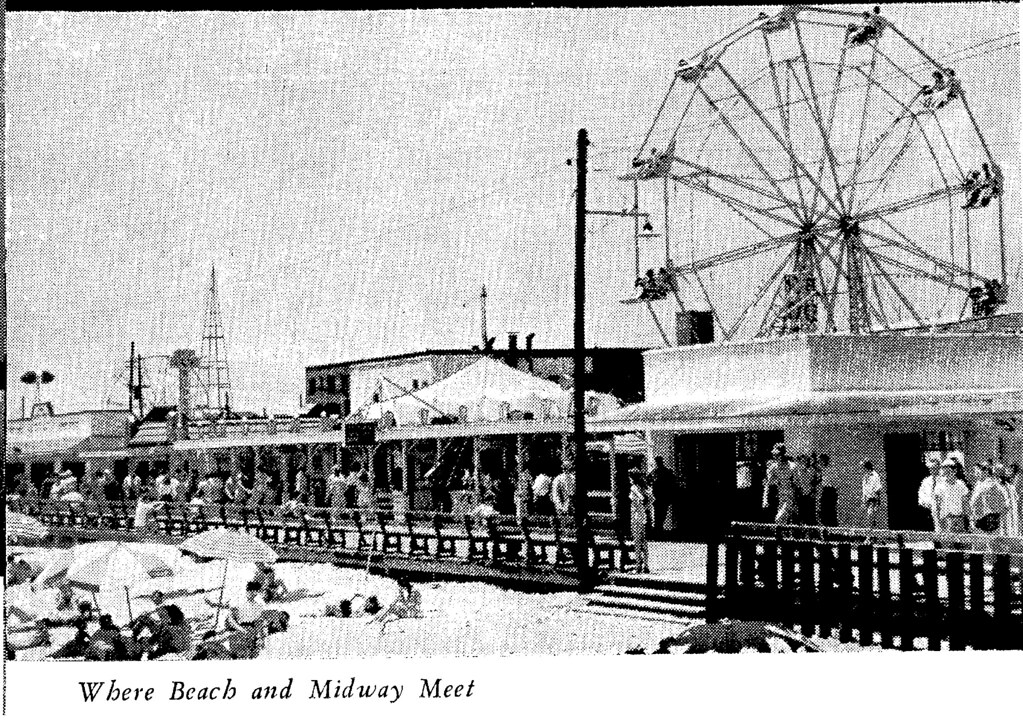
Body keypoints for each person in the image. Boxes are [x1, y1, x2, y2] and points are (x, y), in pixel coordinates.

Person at [224, 581, 266, 659]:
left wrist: (262, 639)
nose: (253, 594)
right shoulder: (237, 601)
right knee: (236, 656)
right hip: (237, 631)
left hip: (251, 632)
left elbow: (259, 622)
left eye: (255, 592)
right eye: (250, 591)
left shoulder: (259, 605)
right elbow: (231, 619)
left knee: (251, 656)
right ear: (247, 590)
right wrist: (241, 629)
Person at [970, 463, 1009, 535]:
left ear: (986, 472)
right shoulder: (994, 484)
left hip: (984, 519)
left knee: (983, 542)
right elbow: (1006, 505)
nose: (978, 473)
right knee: (992, 543)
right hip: (992, 519)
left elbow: (974, 502)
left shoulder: (986, 485)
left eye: (980, 471)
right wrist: (999, 516)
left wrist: (974, 517)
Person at [932, 458, 970, 533]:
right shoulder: (939, 486)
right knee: (948, 544)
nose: (946, 475)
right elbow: (936, 506)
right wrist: (937, 525)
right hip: (946, 520)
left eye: (948, 472)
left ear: (954, 471)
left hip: (959, 520)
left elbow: (965, 503)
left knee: (962, 543)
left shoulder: (961, 485)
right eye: (945, 472)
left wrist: (970, 520)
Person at [764, 443, 798, 524]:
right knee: (784, 522)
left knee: (779, 519)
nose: (775, 457)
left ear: (782, 454)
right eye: (774, 455)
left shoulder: (792, 466)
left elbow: (797, 484)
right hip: (780, 496)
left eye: (777, 455)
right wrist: (765, 499)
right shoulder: (773, 467)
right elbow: (768, 484)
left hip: (790, 496)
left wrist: (796, 500)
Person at [629, 469, 655, 574]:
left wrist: (640, 507)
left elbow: (640, 499)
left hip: (636, 516)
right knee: (644, 541)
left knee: (637, 542)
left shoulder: (634, 488)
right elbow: (652, 499)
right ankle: (646, 565)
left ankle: (638, 566)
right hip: (643, 516)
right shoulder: (644, 487)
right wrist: (645, 508)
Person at [647, 456, 679, 535]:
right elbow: (648, 479)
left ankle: (658, 528)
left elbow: (673, 482)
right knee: (660, 512)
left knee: (660, 512)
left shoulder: (663, 471)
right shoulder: (657, 471)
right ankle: (658, 528)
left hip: (662, 495)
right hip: (659, 495)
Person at [919, 457, 942, 532]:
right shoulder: (926, 481)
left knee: (940, 532)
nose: (933, 470)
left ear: (939, 467)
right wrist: (928, 503)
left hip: (941, 512)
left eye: (935, 468)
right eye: (931, 468)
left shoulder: (944, 480)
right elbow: (921, 496)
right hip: (927, 512)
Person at [861, 459, 883, 531]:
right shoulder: (865, 477)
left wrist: (877, 501)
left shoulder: (875, 476)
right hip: (866, 500)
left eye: (863, 467)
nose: (863, 469)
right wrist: (864, 500)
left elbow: (878, 489)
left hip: (873, 500)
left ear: (867, 467)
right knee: (868, 518)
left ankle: (871, 537)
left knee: (871, 517)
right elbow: (864, 489)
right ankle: (869, 536)